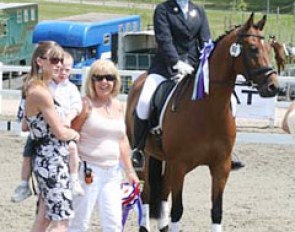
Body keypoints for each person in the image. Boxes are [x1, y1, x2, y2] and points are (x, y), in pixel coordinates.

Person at [131, 0, 211, 169]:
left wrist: (205, 63)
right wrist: (176, 62)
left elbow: (205, 41)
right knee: (144, 102)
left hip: (194, 68)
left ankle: (222, 148)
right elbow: (163, 38)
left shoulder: (199, 10)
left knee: (221, 99)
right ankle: (138, 149)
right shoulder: (163, 10)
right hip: (165, 68)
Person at [68, 59, 139, 232]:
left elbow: (121, 139)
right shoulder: (85, 105)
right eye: (99, 78)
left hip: (112, 172)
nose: (104, 82)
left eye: (109, 78)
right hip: (88, 171)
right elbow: (71, 135)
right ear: (91, 81)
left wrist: (130, 170)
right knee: (80, 222)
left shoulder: (118, 106)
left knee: (113, 223)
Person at [11, 51, 83, 203]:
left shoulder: (71, 88)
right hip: (41, 133)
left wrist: (68, 119)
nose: (63, 73)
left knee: (72, 149)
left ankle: (74, 178)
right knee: (27, 154)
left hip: (61, 129)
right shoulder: (41, 88)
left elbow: (77, 106)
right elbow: (25, 122)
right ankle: (24, 184)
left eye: (67, 70)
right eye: (60, 69)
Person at [23, 41, 80, 232]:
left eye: (61, 60)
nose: (59, 64)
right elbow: (61, 132)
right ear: (40, 61)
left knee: (44, 218)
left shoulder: (30, 86)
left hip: (44, 156)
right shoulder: (41, 92)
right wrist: (75, 134)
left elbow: (24, 124)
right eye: (54, 60)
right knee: (62, 220)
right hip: (52, 159)